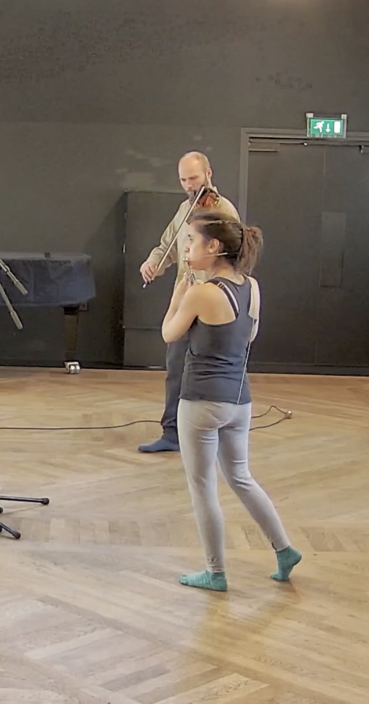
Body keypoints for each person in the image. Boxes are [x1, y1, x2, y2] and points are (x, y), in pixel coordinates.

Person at [160, 209, 301, 591]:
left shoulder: (202, 292)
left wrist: (178, 294)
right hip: (240, 401)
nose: (187, 248)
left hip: (202, 402)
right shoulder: (251, 287)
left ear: (214, 246)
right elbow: (248, 336)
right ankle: (284, 549)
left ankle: (215, 572)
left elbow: (169, 334)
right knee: (241, 476)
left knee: (203, 487)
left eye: (192, 240)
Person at [138, 151, 240, 453]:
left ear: (208, 173)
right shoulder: (185, 208)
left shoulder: (223, 210)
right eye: (183, 179)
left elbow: (232, 255)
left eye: (193, 178)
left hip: (212, 302)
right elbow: (168, 244)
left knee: (207, 369)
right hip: (187, 298)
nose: (188, 185)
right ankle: (172, 433)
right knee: (176, 366)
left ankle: (211, 432)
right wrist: (153, 262)